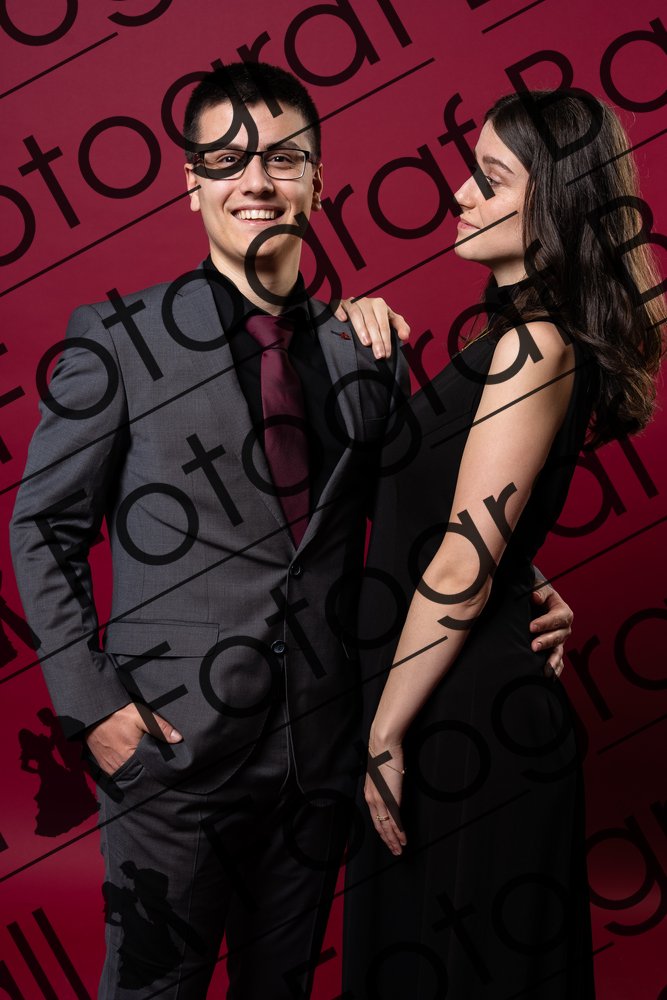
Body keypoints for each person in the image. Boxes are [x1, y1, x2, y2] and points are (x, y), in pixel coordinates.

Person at [10, 64, 572, 998]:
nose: (255, 181)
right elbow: (42, 526)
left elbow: (430, 507)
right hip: (170, 753)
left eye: (282, 158)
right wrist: (96, 711)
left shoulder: (366, 353)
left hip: (318, 760)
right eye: (226, 160)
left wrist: (528, 578)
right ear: (191, 183)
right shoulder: (115, 338)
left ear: (318, 179)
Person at [342, 89, 665, 998]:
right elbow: (461, 517)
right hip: (444, 698)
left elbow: (460, 559)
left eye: (488, 179)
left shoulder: (535, 348)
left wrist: (382, 733)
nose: (458, 194)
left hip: (464, 723)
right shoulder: (513, 341)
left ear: (552, 204)